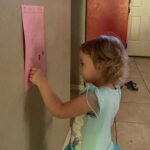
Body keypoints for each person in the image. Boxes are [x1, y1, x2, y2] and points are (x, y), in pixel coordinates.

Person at [29, 35, 128, 150]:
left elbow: (59, 110)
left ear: (101, 65)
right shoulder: (115, 90)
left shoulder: (94, 98)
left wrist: (42, 82)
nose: (80, 68)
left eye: (82, 63)